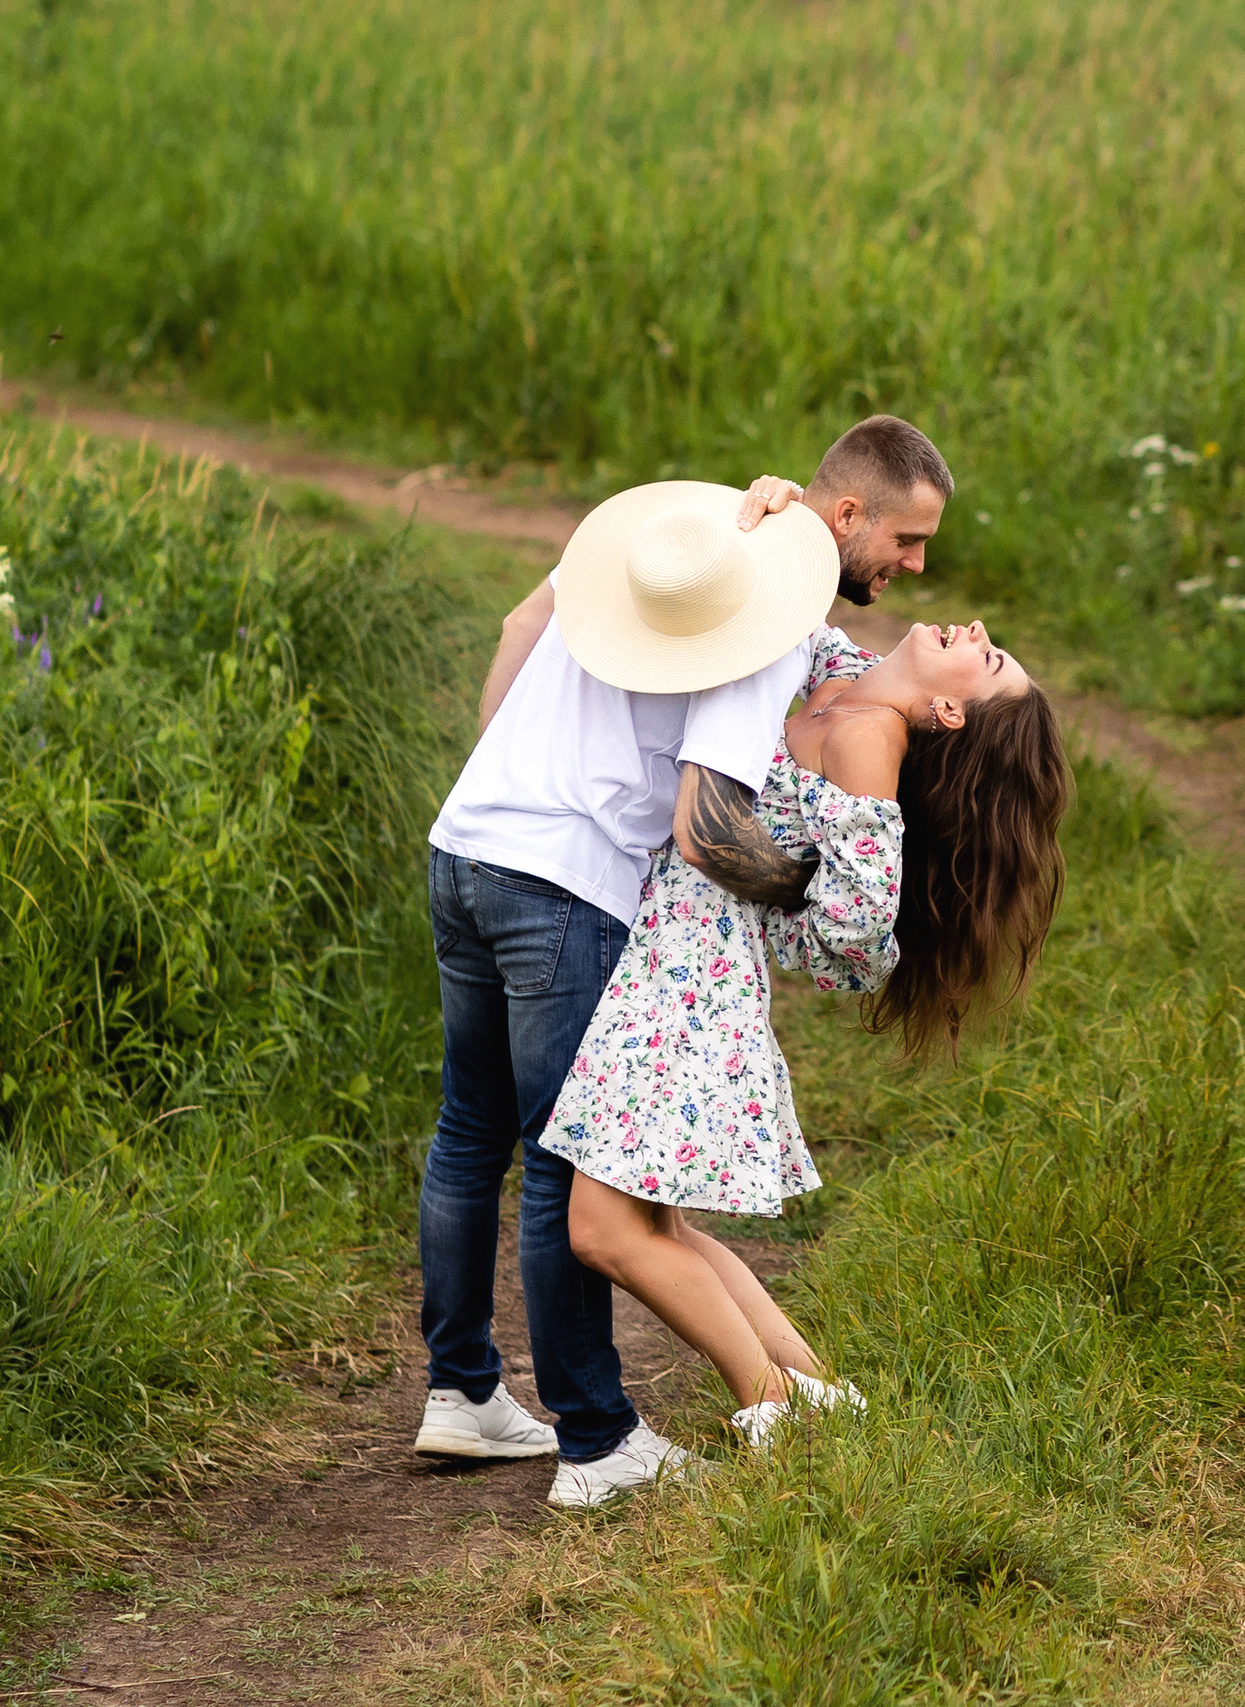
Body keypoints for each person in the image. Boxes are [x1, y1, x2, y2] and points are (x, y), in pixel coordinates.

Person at [414, 417, 956, 1508]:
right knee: (566, 1164)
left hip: (468, 840)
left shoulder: (677, 532)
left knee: (469, 1131)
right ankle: (598, 1442)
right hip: (565, 881)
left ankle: (464, 1394)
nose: (915, 568)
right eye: (905, 539)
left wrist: (504, 782)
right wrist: (823, 900)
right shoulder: (767, 613)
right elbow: (707, 827)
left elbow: (524, 623)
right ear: (844, 514)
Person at [541, 615, 1070, 1447]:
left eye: (990, 656)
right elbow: (792, 609)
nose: (976, 629)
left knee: (602, 1230)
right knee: (655, 1226)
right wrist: (784, 511)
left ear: (953, 712)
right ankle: (821, 1396)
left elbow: (858, 928)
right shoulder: (852, 680)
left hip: (687, 983)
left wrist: (781, 890)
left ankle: (771, 1407)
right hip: (670, 960)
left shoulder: (868, 737)